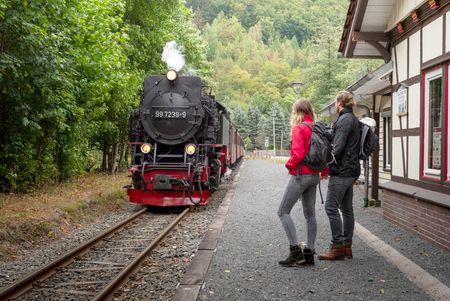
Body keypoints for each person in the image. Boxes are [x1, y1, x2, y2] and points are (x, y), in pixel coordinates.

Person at [277, 98, 321, 267]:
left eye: (294, 112)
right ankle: (309, 254)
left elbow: (298, 155)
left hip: (301, 175)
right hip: (314, 176)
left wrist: (288, 166)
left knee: (282, 211)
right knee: (310, 215)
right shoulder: (316, 127)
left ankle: (295, 251)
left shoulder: (299, 128)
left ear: (298, 112)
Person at [318, 90, 360, 260]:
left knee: (330, 207)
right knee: (346, 209)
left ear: (340, 103)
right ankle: (347, 246)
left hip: (342, 172)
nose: (335, 105)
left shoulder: (344, 120)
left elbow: (338, 147)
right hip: (352, 170)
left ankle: (337, 246)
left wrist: (326, 165)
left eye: (335, 102)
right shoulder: (353, 119)